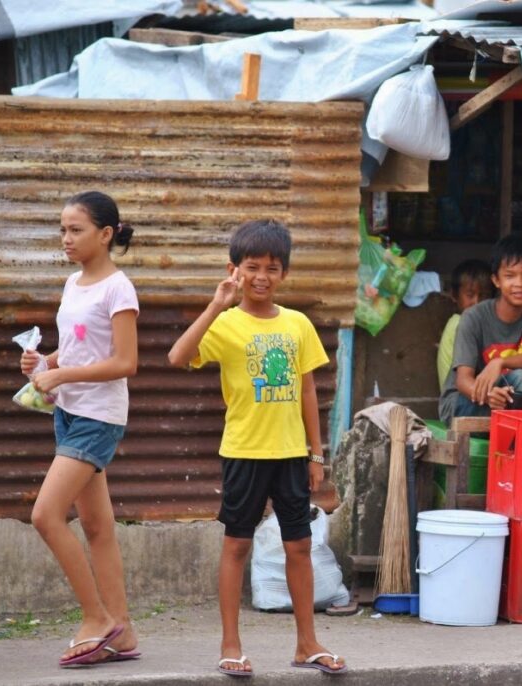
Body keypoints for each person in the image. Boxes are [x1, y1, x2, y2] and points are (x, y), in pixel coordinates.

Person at [167, 220, 347, 677]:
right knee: (236, 547)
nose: (262, 276)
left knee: (300, 548)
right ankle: (230, 645)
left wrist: (316, 454)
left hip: (290, 455)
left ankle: (307, 643)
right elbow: (177, 357)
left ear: (284, 273)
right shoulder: (225, 324)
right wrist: (215, 303)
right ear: (234, 270)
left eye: (272, 267)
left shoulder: (298, 323)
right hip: (244, 452)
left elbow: (308, 391)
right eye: (252, 267)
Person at [21, 191, 140, 667]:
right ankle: (124, 631)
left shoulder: (119, 288)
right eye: (62, 230)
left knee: (45, 515)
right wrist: (43, 362)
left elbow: (125, 362)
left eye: (76, 230)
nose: (66, 239)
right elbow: (76, 350)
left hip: (98, 418)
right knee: (96, 526)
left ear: (105, 234)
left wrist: (62, 374)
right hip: (68, 412)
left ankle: (96, 619)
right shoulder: (73, 284)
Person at [438, 235, 522, 425]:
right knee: (520, 378)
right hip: (466, 401)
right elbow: (463, 381)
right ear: (496, 280)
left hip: (511, 396)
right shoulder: (473, 316)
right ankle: (520, 446)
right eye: (510, 275)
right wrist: (489, 396)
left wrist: (500, 362)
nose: (519, 283)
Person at [436, 259, 493, 391]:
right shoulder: (460, 324)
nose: (477, 302)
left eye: (484, 296)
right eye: (470, 295)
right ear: (454, 295)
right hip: (460, 398)